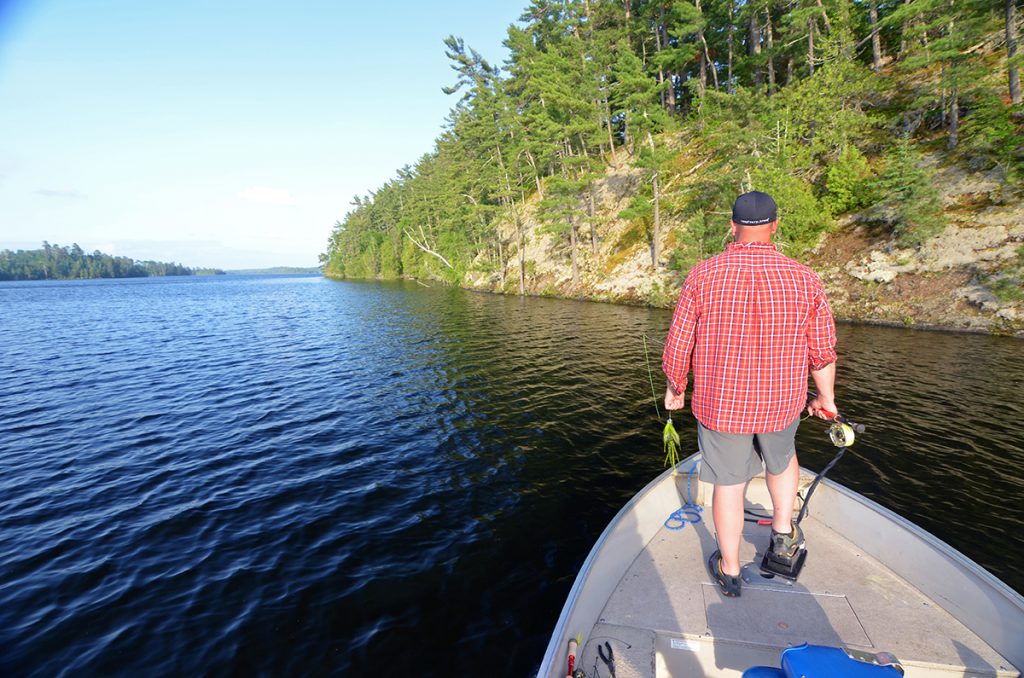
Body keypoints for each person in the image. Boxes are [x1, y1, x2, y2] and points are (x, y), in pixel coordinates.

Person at [661, 190, 838, 598]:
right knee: (782, 461)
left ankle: (730, 569)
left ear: (732, 226)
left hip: (721, 404)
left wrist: (676, 387)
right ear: (775, 225)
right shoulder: (804, 277)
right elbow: (822, 349)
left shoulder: (702, 275)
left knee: (728, 483)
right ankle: (781, 536)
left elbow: (678, 344)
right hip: (782, 402)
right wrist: (825, 398)